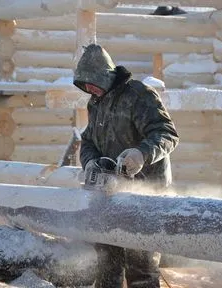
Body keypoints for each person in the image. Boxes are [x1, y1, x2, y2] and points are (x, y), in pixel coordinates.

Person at [73, 44, 179, 288]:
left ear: (105, 76)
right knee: (107, 264)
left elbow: (167, 134)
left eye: (91, 82)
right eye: (84, 84)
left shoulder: (139, 95)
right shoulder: (96, 102)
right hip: (109, 195)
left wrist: (141, 154)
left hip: (145, 195)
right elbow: (88, 140)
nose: (88, 88)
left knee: (141, 269)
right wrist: (89, 162)